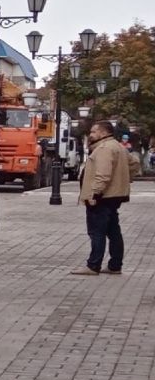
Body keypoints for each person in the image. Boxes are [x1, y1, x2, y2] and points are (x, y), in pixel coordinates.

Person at [76, 117, 130, 274]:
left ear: (103, 133)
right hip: (114, 196)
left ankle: (93, 265)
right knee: (113, 231)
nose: (91, 134)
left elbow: (103, 175)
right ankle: (115, 265)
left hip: (102, 197)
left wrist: (95, 194)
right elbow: (134, 164)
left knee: (97, 232)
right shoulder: (119, 147)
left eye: (94, 131)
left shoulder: (104, 149)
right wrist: (123, 179)